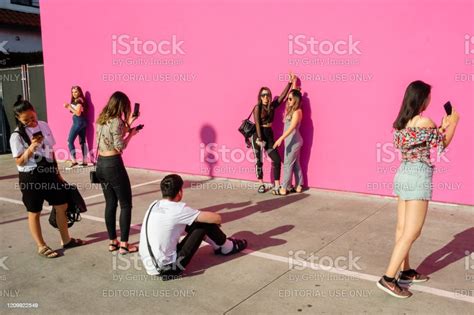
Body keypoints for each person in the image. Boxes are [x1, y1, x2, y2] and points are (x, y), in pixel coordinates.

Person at [377, 80, 460, 298]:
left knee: (401, 228)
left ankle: (405, 271)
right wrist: (454, 123)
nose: (430, 99)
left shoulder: (402, 123)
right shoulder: (426, 121)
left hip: (403, 173)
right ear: (422, 98)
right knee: (412, 232)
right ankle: (388, 278)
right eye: (429, 96)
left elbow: (422, 138)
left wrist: (439, 127)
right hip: (418, 176)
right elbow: (441, 145)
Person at [10, 100, 84, 258]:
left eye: (32, 117)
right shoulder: (16, 136)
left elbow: (51, 151)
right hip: (31, 176)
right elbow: (19, 161)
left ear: (35, 111)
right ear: (18, 118)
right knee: (34, 211)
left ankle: (66, 240)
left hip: (49, 171)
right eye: (26, 120)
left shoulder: (43, 125)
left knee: (62, 204)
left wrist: (57, 173)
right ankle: (41, 246)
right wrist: (31, 148)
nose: (31, 122)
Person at [139, 174, 248, 280]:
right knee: (204, 223)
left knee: (193, 220)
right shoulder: (178, 209)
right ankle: (227, 247)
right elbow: (217, 218)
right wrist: (210, 221)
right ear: (180, 192)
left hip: (150, 265)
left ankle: (219, 246)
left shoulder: (154, 204)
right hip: (170, 269)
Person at [96, 91, 141, 255]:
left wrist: (129, 124)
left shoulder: (101, 119)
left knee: (110, 203)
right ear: (122, 106)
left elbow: (113, 136)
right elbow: (120, 146)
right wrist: (131, 135)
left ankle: (112, 242)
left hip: (100, 164)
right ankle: (124, 244)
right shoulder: (117, 121)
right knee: (126, 204)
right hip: (113, 165)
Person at [252, 73, 297, 194]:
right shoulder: (257, 108)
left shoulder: (272, 106)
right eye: (263, 95)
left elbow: (282, 97)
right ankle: (261, 183)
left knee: (276, 160)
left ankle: (277, 185)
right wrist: (260, 139)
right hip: (258, 135)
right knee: (259, 160)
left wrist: (290, 83)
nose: (265, 97)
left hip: (269, 135)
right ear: (260, 97)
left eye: (267, 95)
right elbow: (257, 123)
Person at [273, 88, 304, 195]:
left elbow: (292, 128)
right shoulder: (292, 110)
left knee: (287, 164)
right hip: (292, 141)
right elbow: (294, 92)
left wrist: (280, 138)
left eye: (290, 99)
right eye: (288, 99)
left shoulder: (297, 112)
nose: (288, 100)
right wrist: (293, 82)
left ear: (295, 100)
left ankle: (284, 187)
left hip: (293, 142)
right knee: (295, 164)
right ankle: (299, 185)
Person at [64, 86, 88, 168]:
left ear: (80, 92)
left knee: (69, 141)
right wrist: (71, 109)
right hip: (83, 122)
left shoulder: (79, 100)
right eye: (73, 92)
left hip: (78, 123)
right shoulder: (79, 100)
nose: (74, 94)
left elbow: (78, 113)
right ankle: (85, 161)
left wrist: (68, 107)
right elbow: (76, 112)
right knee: (82, 142)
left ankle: (74, 161)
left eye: (76, 92)